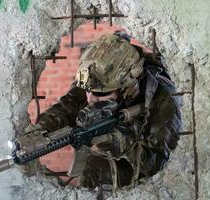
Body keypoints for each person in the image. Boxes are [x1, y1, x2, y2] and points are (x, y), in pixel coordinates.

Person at [14, 32, 182, 190]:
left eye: (101, 95)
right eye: (88, 91)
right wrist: (41, 132)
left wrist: (117, 142)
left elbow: (156, 162)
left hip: (133, 169)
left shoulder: (164, 100)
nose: (90, 99)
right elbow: (68, 106)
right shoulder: (96, 82)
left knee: (97, 168)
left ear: (127, 89)